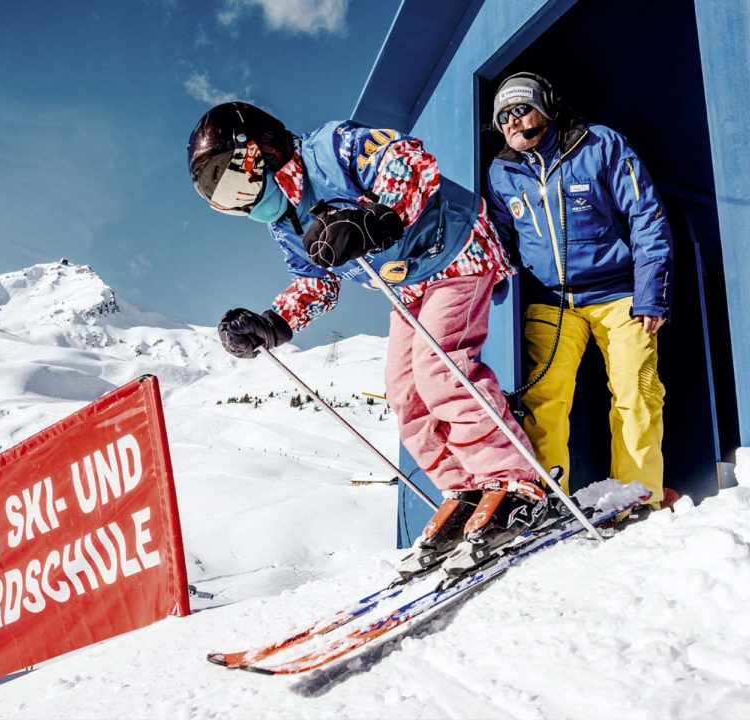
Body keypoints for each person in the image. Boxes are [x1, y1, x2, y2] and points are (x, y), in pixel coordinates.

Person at [187, 102, 551, 570]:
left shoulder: (331, 149)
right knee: (405, 393)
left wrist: (377, 218)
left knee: (442, 371)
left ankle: (514, 481)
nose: (241, 202)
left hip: (456, 251)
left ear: (261, 151)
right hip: (408, 286)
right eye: (225, 200)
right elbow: (317, 282)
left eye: (235, 184)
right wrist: (271, 323)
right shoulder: (286, 224)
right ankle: (466, 490)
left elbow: (412, 163)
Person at [484, 72, 672, 512]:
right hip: (551, 301)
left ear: (547, 104)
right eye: (502, 117)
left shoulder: (599, 145)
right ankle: (550, 504)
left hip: (619, 293)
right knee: (542, 402)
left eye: (520, 109)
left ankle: (638, 498)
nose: (512, 122)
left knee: (637, 393)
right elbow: (496, 242)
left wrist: (651, 293)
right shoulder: (501, 174)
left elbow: (646, 215)